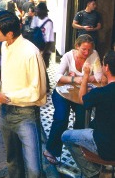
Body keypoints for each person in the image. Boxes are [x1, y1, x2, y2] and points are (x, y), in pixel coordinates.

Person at [0, 11, 47, 178]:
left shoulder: (31, 52)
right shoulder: (5, 46)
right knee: (13, 162)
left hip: (26, 115)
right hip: (7, 112)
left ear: (10, 33)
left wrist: (7, 97)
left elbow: (37, 90)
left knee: (34, 169)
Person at [43, 34, 103, 165]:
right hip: (63, 93)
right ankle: (51, 150)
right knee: (61, 118)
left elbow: (99, 77)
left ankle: (78, 150)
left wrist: (86, 78)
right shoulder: (68, 56)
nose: (87, 52)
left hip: (80, 94)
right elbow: (58, 76)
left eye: (90, 49)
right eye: (84, 49)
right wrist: (74, 79)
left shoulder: (94, 55)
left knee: (82, 120)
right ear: (77, 46)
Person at [61, 50, 115, 178]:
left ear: (107, 67)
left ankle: (93, 174)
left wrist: (85, 76)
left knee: (66, 136)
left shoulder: (101, 93)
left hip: (106, 147)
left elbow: (83, 100)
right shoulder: (103, 92)